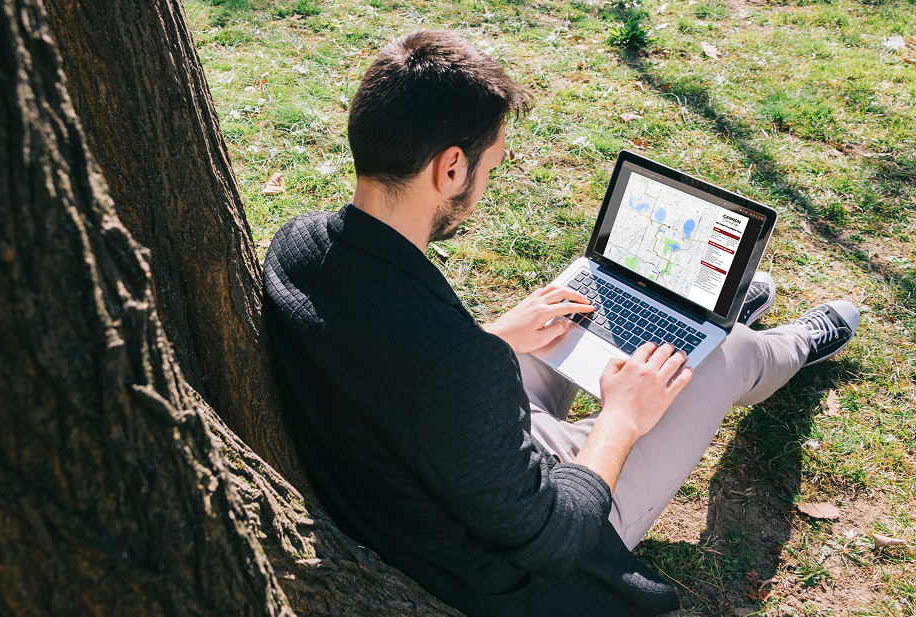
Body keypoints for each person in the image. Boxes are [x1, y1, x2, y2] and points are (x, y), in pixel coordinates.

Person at [262, 29, 859, 617]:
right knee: (723, 356)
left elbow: (398, 372)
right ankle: (783, 344)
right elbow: (557, 539)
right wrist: (622, 418)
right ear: (450, 168)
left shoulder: (298, 247)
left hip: (439, 462)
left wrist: (492, 339)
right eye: (489, 165)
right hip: (523, 543)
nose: (486, 184)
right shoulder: (454, 368)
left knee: (566, 316)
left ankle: (707, 306)